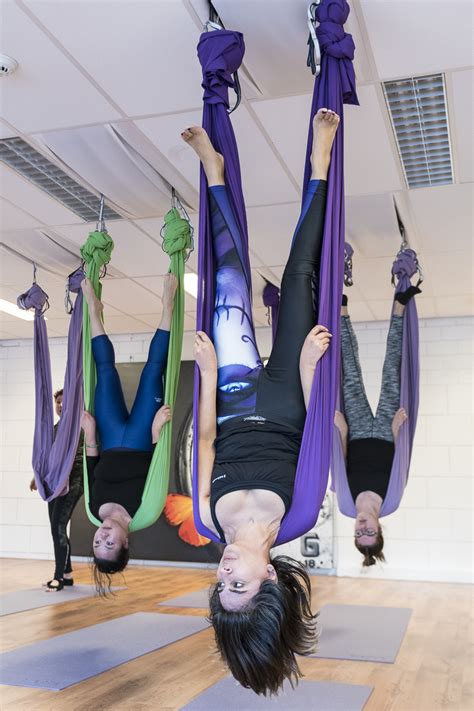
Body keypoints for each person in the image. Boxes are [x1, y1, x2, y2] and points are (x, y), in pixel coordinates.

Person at [182, 108, 339, 695]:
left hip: (231, 387)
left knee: (229, 278)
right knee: (301, 277)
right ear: (269, 579)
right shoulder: (297, 514)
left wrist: (205, 373)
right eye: (239, 586)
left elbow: (205, 440)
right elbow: (310, 436)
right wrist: (304, 368)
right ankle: (320, 161)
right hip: (284, 393)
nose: (224, 576)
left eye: (221, 590)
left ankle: (214, 170)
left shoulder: (206, 517)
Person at [80, 273, 177, 594]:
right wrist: (156, 433)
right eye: (109, 543)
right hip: (139, 439)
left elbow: (92, 466)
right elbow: (156, 470)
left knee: (105, 372)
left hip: (108, 438)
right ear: (125, 542)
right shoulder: (145, 513)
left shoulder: (95, 511)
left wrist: (89, 434)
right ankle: (168, 306)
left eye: (97, 541)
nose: (103, 535)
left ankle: (94, 311)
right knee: (152, 371)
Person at [334, 286, 421, 567]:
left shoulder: (346, 505)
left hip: (356, 430)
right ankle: (399, 308)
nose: (363, 528)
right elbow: (400, 465)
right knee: (393, 369)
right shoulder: (392, 500)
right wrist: (398, 431)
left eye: (360, 535)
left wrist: (343, 430)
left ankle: (341, 310)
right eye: (370, 533)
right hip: (386, 431)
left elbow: (341, 463)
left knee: (349, 369)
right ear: (380, 528)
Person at [29, 388, 84, 592]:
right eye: (58, 402)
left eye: (63, 402)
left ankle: (58, 577)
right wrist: (38, 478)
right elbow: (50, 458)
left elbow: (73, 458)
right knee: (56, 527)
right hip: (54, 483)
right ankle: (67, 575)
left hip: (72, 482)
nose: (60, 405)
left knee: (58, 526)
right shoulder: (55, 428)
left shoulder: (78, 426)